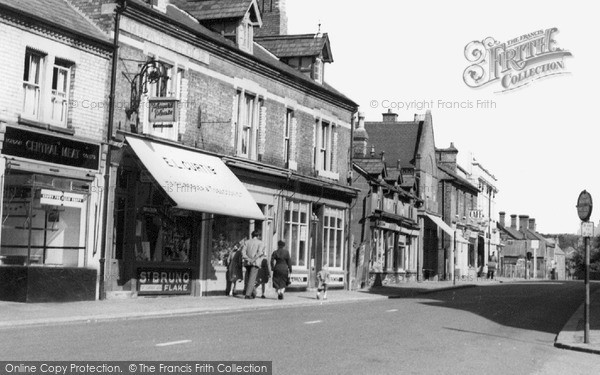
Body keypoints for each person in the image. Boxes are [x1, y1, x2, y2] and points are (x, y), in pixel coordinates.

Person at [241, 230, 266, 299]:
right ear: (258, 236)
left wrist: (248, 259)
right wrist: (253, 260)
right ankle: (248, 294)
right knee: (252, 279)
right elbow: (259, 253)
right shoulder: (260, 243)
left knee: (248, 278)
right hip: (255, 263)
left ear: (252, 235)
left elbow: (243, 253)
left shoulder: (246, 242)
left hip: (247, 262)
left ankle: (252, 293)